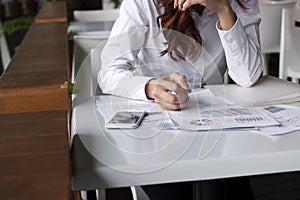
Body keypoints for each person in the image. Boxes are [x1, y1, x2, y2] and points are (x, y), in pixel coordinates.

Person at [98, 0, 263, 199]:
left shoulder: (241, 2)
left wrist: (223, 9)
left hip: (214, 129)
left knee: (229, 184)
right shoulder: (142, 3)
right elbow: (109, 73)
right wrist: (151, 87)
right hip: (156, 133)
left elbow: (248, 76)